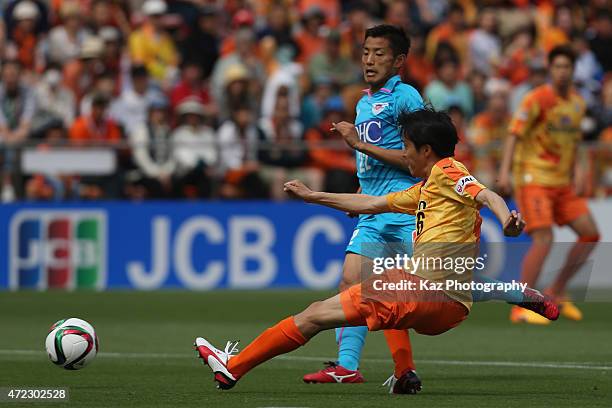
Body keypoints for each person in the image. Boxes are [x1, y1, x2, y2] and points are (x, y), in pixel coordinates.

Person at [194, 108, 559, 392]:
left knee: (314, 315)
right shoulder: (425, 189)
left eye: (407, 147)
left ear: (426, 150)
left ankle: (233, 367)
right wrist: (313, 196)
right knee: (384, 294)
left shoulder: (449, 170)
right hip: (451, 309)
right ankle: (410, 369)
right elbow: (369, 204)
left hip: (422, 292)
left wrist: (507, 220)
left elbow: (488, 194)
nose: (404, 154)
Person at [302, 24, 424, 392]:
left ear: (399, 61)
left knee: (434, 286)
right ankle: (347, 366)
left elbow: (418, 158)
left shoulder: (406, 98)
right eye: (366, 52)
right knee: (352, 284)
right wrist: (362, 191)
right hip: (373, 211)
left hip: (404, 206)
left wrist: (358, 144)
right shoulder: (364, 102)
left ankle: (518, 293)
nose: (369, 60)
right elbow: (374, 163)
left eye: (379, 53)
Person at [498, 45, 600, 325]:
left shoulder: (577, 103)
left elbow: (575, 141)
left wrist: (579, 170)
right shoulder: (537, 99)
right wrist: (504, 173)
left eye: (567, 66)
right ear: (550, 69)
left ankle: (556, 291)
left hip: (562, 183)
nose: (562, 72)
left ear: (573, 70)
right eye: (557, 67)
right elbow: (513, 134)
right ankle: (522, 305)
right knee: (544, 237)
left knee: (591, 234)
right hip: (534, 179)